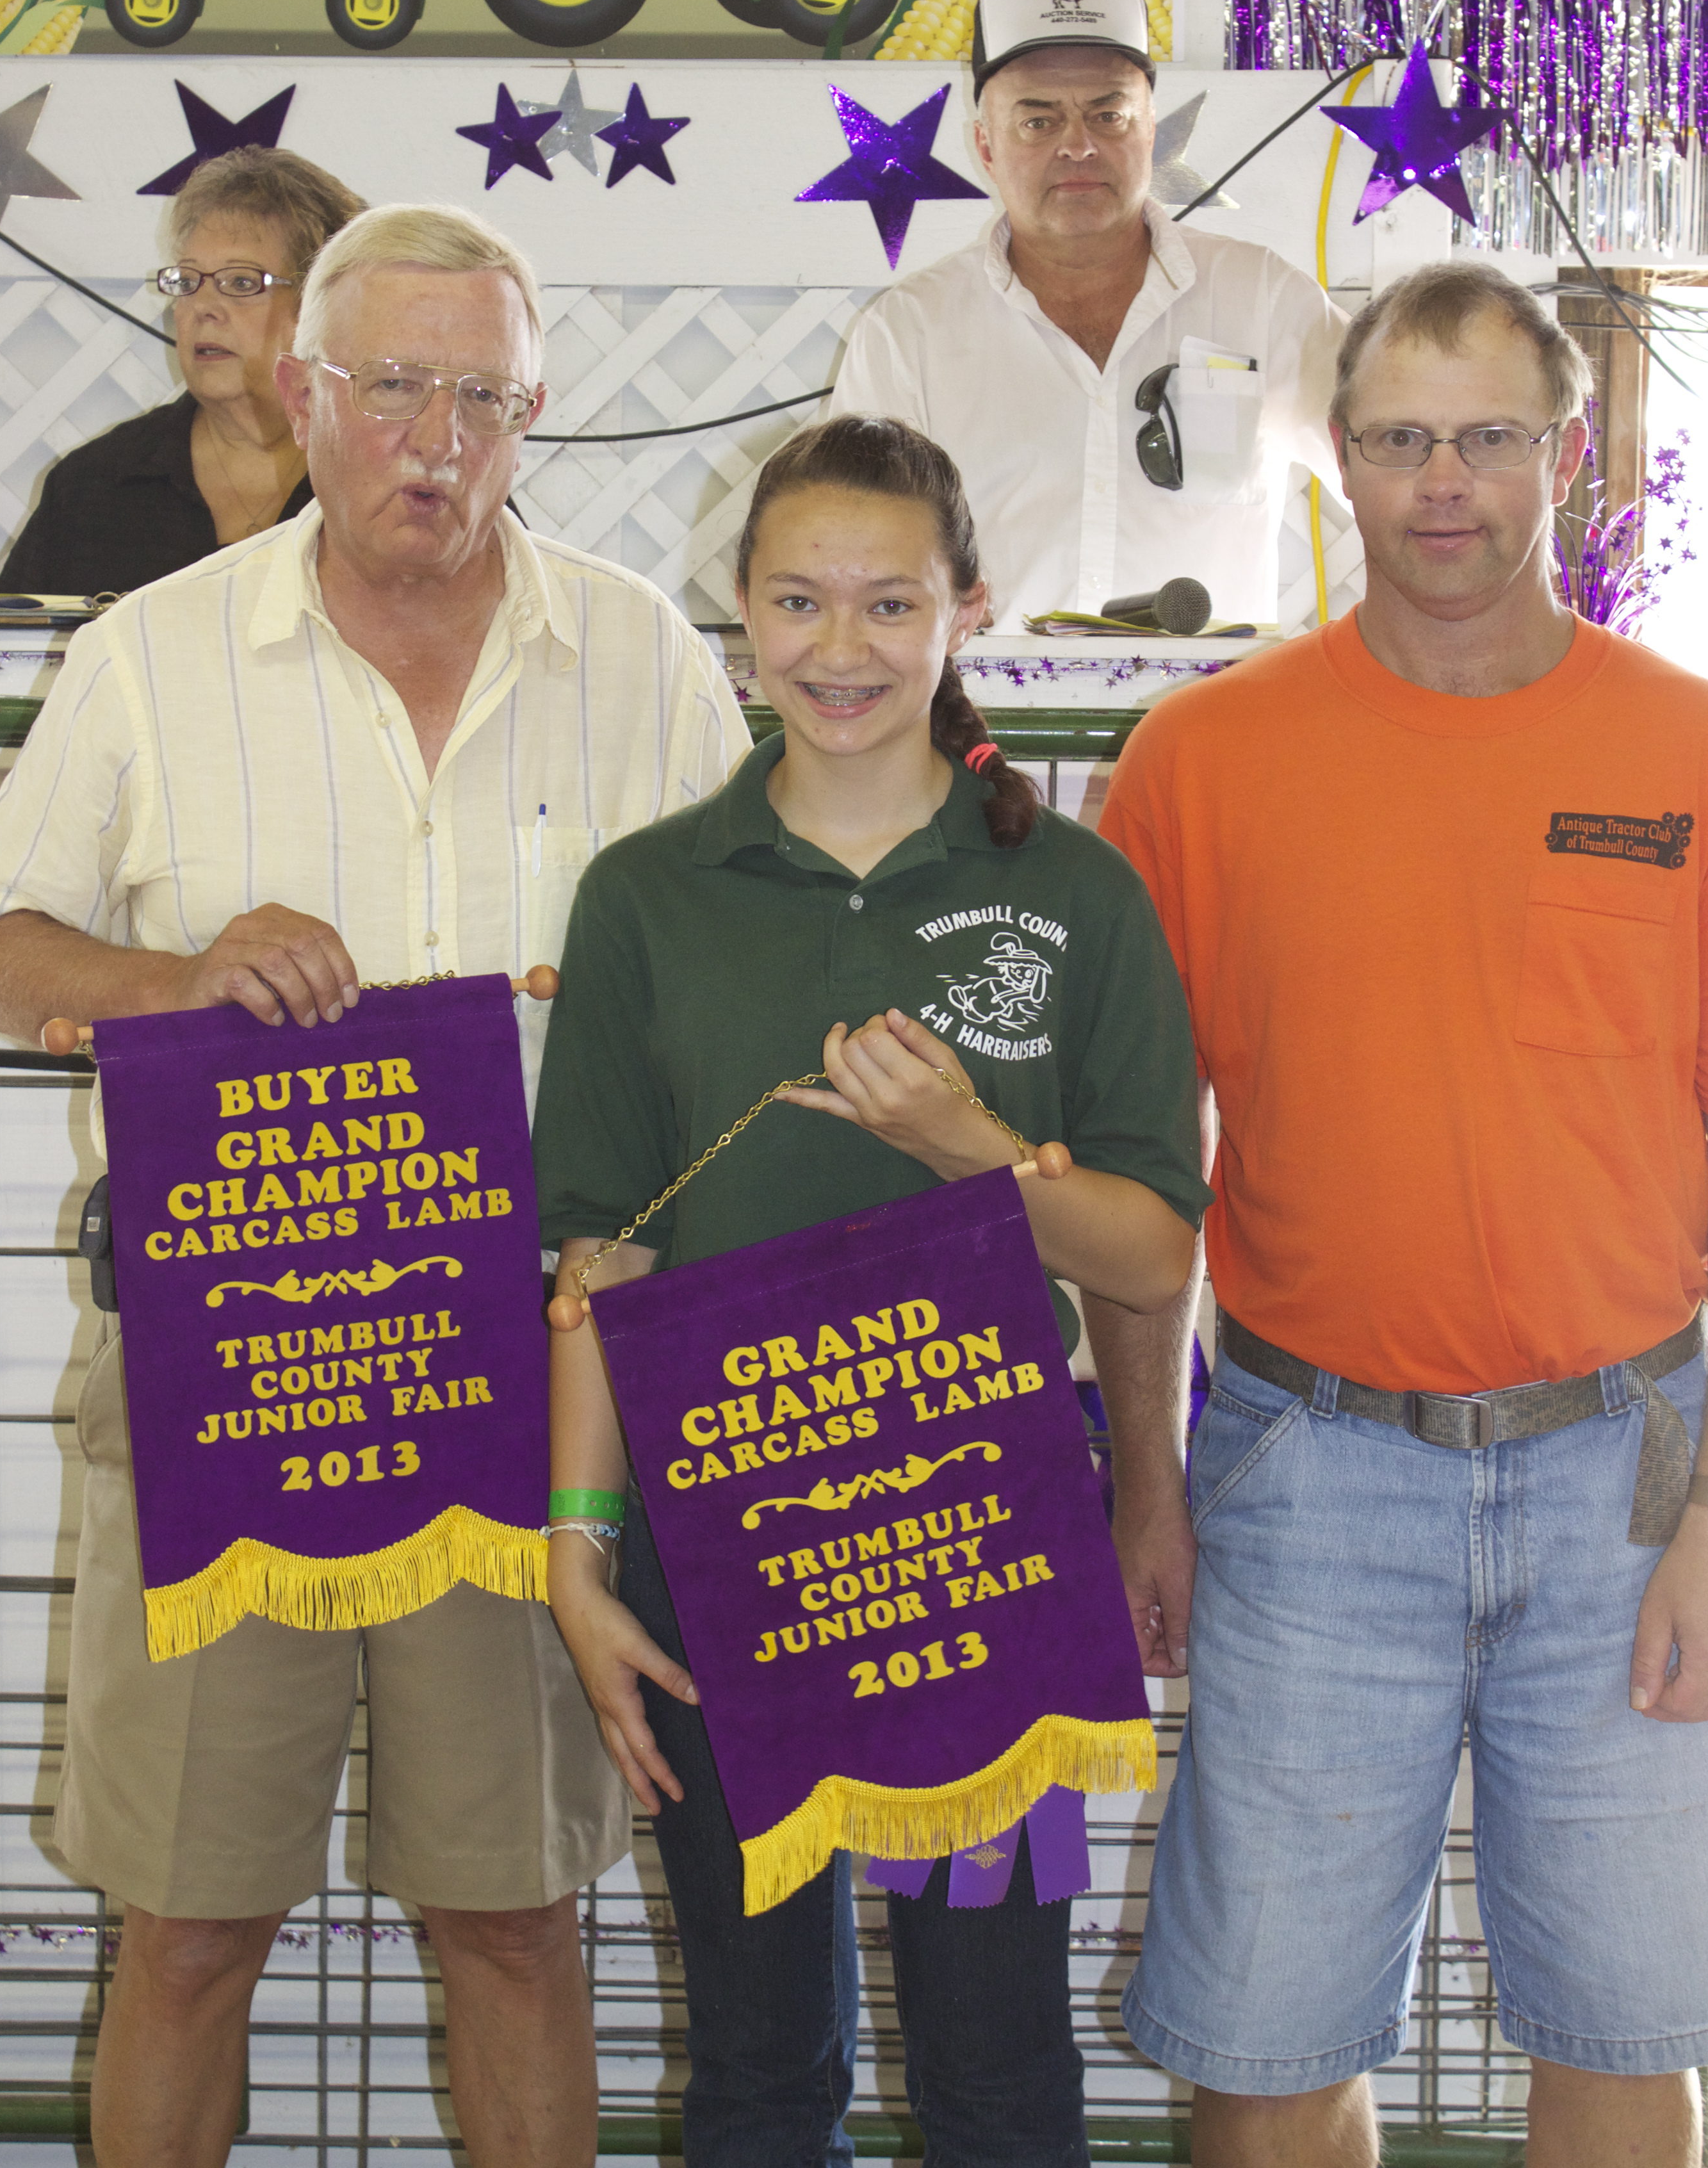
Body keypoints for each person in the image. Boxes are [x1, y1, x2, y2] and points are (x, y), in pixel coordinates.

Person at [0, 202, 750, 2168]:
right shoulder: (150, 655)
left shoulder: (646, 658)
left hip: (530, 1368)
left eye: (481, 397)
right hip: (221, 1357)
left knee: (515, 1920)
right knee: (187, 1930)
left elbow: (744, 984)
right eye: (394, 387)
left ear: (537, 412)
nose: (436, 439)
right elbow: (2, 943)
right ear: (300, 391)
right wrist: (176, 977)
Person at [1089, 259, 1708, 2168]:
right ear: (1335, 456)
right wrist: (1146, 1477)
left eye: (1487, 436)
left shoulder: (1705, 758)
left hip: (1629, 1480)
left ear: (1561, 453)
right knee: (1262, 2053)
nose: (1440, 483)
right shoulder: (1197, 764)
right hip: (1304, 1478)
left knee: (1626, 2036)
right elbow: (1143, 1173)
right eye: (1400, 437)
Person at [532, 412, 1208, 2168]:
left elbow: (1152, 1251)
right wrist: (579, 1557)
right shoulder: (647, 898)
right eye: (798, 601)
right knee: (760, 2072)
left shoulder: (1070, 890)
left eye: (890, 603)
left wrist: (974, 1152)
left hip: (981, 1548)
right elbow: (598, 1255)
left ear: (965, 608)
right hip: (717, 1550)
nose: (841, 648)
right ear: (740, 610)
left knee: (996, 2070)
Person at [829, 0, 1347, 630]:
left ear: (1150, 132)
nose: (1078, 146)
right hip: (983, 695)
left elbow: (1397, 475)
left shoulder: (1266, 300)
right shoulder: (909, 334)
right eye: (1037, 122)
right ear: (985, 147)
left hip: (1218, 697)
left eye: (1109, 115)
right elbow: (854, 557)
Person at [0, 145, 364, 596]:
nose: (203, 307)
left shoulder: (377, 477)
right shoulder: (94, 485)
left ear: (323, 304)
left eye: (241, 282)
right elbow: (16, 641)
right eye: (188, 282)